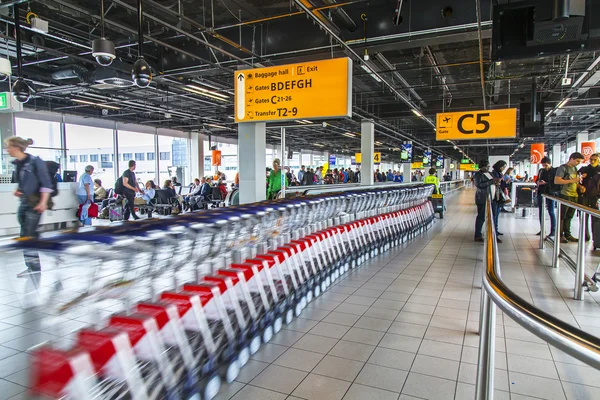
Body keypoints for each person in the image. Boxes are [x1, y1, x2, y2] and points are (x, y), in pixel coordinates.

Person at [5, 137, 53, 277]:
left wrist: (43, 202)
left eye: (9, 147)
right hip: (24, 201)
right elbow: (26, 182)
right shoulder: (19, 164)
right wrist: (20, 190)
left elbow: (46, 183)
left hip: (35, 203)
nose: (7, 150)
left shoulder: (35, 162)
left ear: (16, 147)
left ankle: (34, 267)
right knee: (25, 235)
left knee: (28, 236)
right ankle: (32, 266)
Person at [555, 152, 585, 243]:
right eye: (577, 161)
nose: (578, 163)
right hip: (565, 194)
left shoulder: (575, 168)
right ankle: (560, 235)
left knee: (569, 216)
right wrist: (572, 180)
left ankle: (567, 234)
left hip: (574, 195)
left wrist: (579, 186)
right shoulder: (563, 168)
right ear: (572, 158)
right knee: (562, 216)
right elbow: (557, 181)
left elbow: (575, 182)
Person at [473, 160, 502, 243]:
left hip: (492, 197)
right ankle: (477, 235)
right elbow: (479, 185)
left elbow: (492, 182)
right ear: (483, 166)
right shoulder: (478, 175)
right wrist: (492, 182)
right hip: (482, 198)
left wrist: (496, 182)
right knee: (481, 217)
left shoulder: (490, 174)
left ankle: (492, 235)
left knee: (493, 217)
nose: (488, 167)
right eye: (487, 166)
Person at [579, 153, 600, 241]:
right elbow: (576, 180)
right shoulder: (584, 169)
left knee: (595, 218)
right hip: (584, 195)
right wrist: (580, 186)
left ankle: (596, 238)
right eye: (591, 159)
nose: (592, 161)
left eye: (594, 159)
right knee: (583, 216)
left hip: (595, 196)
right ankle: (585, 236)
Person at [536, 157, 556, 238]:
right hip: (541, 192)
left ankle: (553, 231)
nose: (545, 167)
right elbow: (537, 179)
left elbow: (555, 183)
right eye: (543, 165)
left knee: (551, 211)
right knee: (541, 211)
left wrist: (546, 183)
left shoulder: (554, 171)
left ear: (550, 164)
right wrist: (538, 182)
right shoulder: (541, 171)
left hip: (550, 193)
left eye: (546, 165)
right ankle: (542, 229)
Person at [491, 160, 508, 236]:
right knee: (495, 214)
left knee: (497, 214)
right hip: (496, 196)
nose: (503, 168)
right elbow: (495, 183)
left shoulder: (499, 173)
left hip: (499, 196)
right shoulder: (494, 173)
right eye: (503, 167)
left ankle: (496, 230)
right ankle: (494, 232)